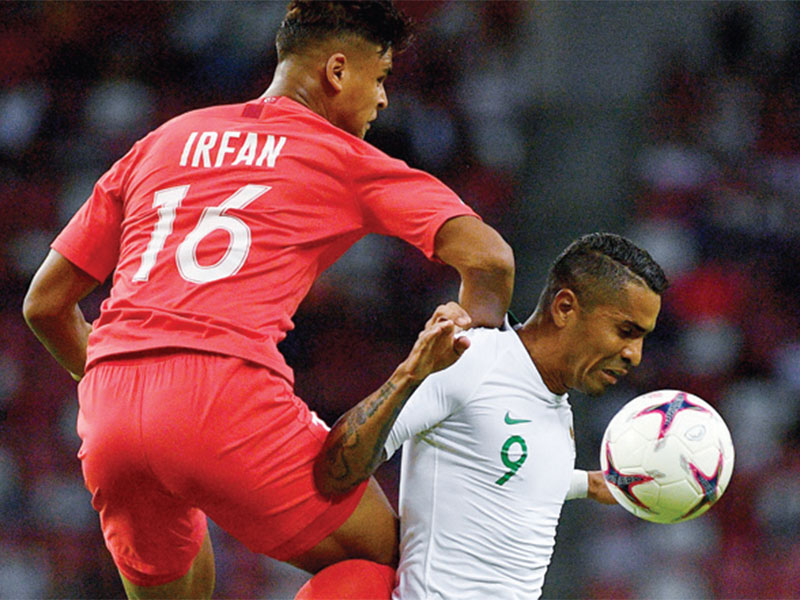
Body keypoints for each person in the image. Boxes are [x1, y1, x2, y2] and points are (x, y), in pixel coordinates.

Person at [21, 2, 515, 598]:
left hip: (108, 407)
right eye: (380, 77)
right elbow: (490, 259)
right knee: (402, 570)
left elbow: (44, 305)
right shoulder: (344, 158)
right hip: (224, 398)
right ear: (337, 71)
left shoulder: (164, 139)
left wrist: (111, 383)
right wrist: (479, 376)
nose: (383, 99)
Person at [311, 232, 669, 599]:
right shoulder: (473, 358)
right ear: (564, 308)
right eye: (626, 332)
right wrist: (409, 375)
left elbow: (502, 472)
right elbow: (336, 470)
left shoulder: (555, 408)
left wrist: (587, 485)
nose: (635, 355)